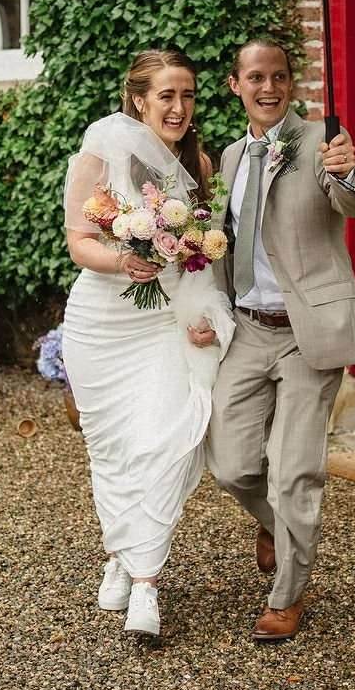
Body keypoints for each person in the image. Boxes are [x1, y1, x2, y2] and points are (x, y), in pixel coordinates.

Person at [60, 49, 236, 639]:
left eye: (187, 95)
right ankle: (120, 553)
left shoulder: (199, 166)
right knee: (111, 450)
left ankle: (144, 585)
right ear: (139, 99)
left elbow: (198, 258)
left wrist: (205, 313)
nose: (180, 107)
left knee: (164, 441)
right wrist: (121, 258)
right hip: (101, 322)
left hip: (163, 323)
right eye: (167, 95)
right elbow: (80, 241)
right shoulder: (100, 152)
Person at [206, 37, 355, 641]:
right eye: (256, 77)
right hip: (249, 329)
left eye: (279, 76)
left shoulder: (319, 144)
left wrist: (348, 170)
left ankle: (288, 596)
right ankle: (278, 527)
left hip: (310, 332)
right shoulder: (228, 157)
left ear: (291, 82)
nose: (269, 87)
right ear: (236, 85)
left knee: (295, 470)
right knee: (228, 463)